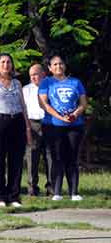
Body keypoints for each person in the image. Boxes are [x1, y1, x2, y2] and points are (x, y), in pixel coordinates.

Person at [0, 53, 31, 208]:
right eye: (2, 62)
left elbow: (23, 106)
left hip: (17, 122)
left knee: (16, 161)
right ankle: (0, 198)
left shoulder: (17, 83)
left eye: (8, 62)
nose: (6, 65)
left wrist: (28, 128)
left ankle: (14, 196)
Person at [38, 55, 88, 201]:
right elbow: (44, 104)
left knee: (72, 158)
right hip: (54, 126)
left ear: (64, 65)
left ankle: (74, 192)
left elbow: (84, 103)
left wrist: (74, 114)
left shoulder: (76, 82)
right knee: (57, 158)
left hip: (75, 125)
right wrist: (61, 117)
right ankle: (57, 192)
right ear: (49, 68)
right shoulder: (46, 82)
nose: (58, 66)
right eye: (54, 64)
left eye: (60, 63)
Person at [23, 63, 50, 196]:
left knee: (50, 156)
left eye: (35, 74)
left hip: (50, 124)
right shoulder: (25, 89)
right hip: (32, 124)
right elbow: (22, 110)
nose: (33, 77)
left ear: (43, 74)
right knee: (32, 157)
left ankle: (51, 187)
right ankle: (32, 188)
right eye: (31, 75)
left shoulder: (51, 87)